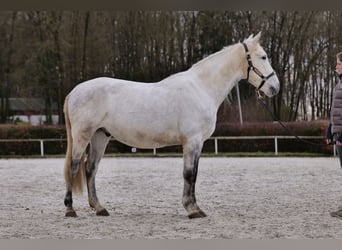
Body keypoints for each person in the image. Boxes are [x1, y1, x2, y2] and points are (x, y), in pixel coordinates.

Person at [326, 51, 342, 218]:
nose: (336, 65)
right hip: (338, 131)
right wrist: (330, 129)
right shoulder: (339, 83)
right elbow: (336, 111)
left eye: (339, 63)